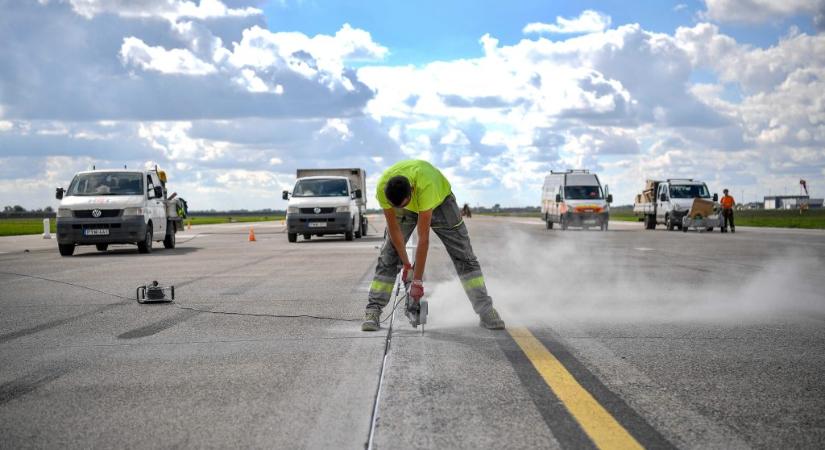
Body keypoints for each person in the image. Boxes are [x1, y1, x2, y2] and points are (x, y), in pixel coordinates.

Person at [361, 160, 505, 331]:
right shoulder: (383, 189)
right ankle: (373, 310)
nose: (401, 208)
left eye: (404, 204)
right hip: (409, 198)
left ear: (412, 192)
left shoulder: (426, 186)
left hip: (441, 203)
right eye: (396, 207)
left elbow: (423, 239)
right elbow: (394, 233)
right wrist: (407, 265)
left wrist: (417, 282)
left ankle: (486, 311)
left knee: (464, 256)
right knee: (388, 254)